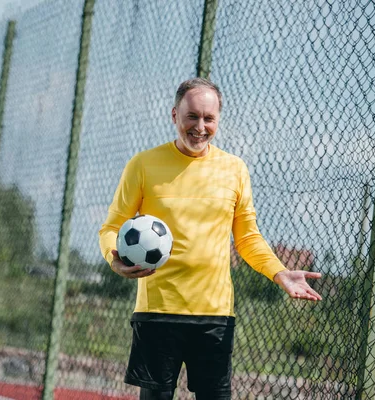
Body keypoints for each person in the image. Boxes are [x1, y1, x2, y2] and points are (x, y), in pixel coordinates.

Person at [98, 77, 322, 400]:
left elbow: (247, 238)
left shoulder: (235, 170)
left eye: (209, 118)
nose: (200, 127)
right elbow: (111, 228)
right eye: (192, 116)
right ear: (174, 115)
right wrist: (114, 259)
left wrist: (280, 272)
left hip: (214, 315)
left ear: (218, 120)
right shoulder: (143, 165)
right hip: (158, 312)